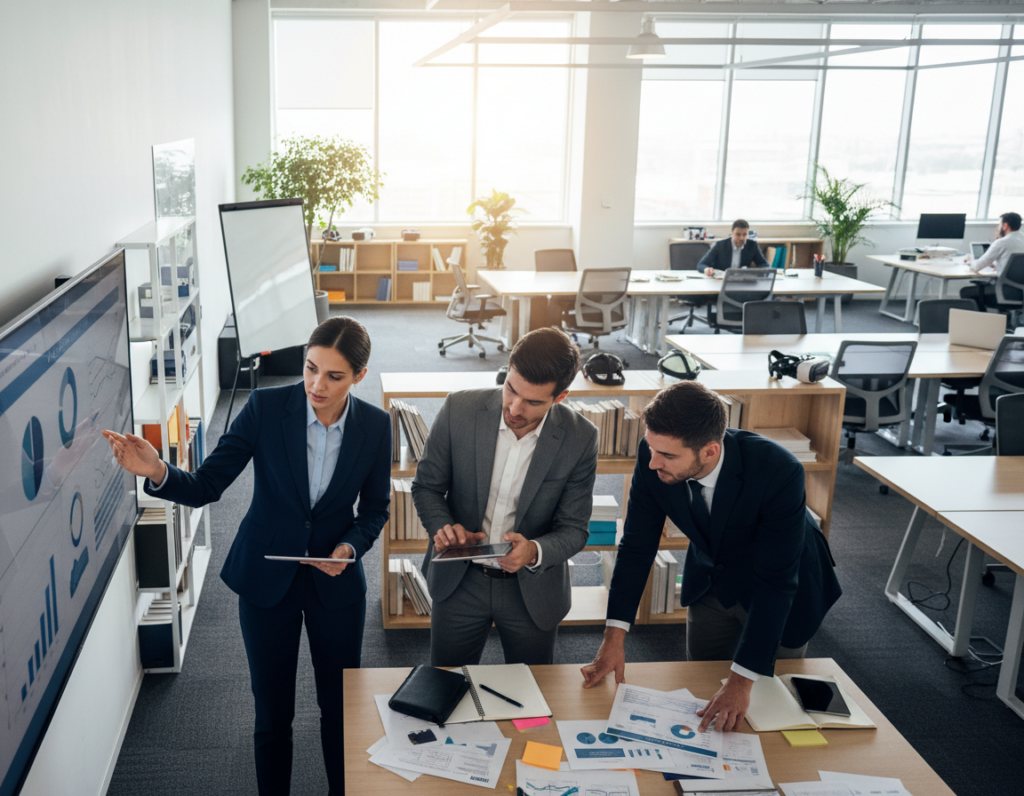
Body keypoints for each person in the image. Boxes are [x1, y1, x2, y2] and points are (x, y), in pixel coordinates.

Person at [102, 317, 390, 796]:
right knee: (272, 712)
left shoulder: (376, 427)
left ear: (359, 376)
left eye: (334, 376)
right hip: (265, 579)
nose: (317, 385)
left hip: (335, 583)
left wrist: (350, 547)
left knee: (341, 709)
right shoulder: (265, 406)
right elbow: (208, 485)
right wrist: (157, 470)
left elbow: (375, 509)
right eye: (310, 368)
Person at [580, 381, 841, 734]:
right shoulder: (654, 453)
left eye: (668, 456)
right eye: (652, 448)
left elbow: (776, 582)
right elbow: (637, 546)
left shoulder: (778, 471)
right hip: (711, 578)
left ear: (709, 451)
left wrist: (742, 679)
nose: (653, 462)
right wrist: (614, 638)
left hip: (783, 588)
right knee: (701, 690)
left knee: (768, 705)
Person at [412, 327, 598, 667]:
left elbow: (574, 529)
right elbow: (426, 486)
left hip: (532, 588)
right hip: (460, 580)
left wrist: (534, 551)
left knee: (530, 704)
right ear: (508, 369)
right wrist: (444, 527)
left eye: (533, 401)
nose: (514, 407)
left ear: (560, 397)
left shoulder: (580, 437)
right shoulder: (459, 409)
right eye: (511, 389)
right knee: (446, 688)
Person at [960, 211, 1024, 312]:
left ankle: (981, 324)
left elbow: (977, 267)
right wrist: (997, 265)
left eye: (999, 224)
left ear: (1005, 225)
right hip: (1021, 292)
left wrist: (970, 262)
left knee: (966, 292)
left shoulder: (1002, 242)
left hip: (1006, 292)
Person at [696, 219, 769, 276]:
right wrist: (707, 269)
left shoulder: (752, 246)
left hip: (742, 282)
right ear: (732, 233)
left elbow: (765, 265)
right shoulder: (720, 245)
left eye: (744, 234)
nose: (741, 238)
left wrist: (757, 272)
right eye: (738, 234)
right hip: (721, 281)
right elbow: (701, 265)